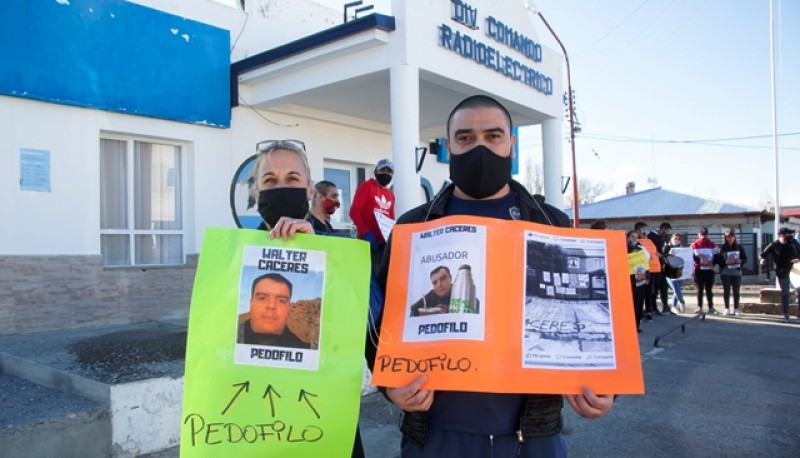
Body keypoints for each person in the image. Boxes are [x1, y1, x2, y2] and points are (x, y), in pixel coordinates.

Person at [373, 95, 614, 457]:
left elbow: (586, 312)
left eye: (493, 136)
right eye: (466, 138)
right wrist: (389, 386)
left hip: (532, 437)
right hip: (434, 432)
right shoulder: (413, 226)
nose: (479, 147)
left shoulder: (550, 223)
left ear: (511, 144)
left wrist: (601, 384)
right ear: (449, 144)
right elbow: (377, 316)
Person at [249, 139, 366, 458]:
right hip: (254, 419)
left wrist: (320, 257)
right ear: (257, 194)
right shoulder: (233, 258)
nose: (281, 187)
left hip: (324, 415)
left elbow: (359, 324)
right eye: (270, 181)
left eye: (292, 179)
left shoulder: (337, 250)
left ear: (309, 189)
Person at [238, 273, 310, 348]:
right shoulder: (228, 340)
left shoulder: (305, 351)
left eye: (281, 301)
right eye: (262, 298)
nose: (271, 306)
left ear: (288, 308)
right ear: (251, 303)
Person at [350, 158, 396, 269]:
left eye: (389, 171)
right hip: (367, 242)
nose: (386, 173)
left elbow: (391, 218)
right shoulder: (366, 186)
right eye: (382, 170)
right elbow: (354, 211)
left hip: (384, 244)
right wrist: (365, 232)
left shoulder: (391, 194)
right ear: (375, 171)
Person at [760, 227, 799, 322]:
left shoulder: (793, 243)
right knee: (785, 293)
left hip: (795, 271)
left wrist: (798, 259)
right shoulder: (774, 245)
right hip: (782, 272)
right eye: (788, 234)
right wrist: (762, 259)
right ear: (782, 235)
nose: (790, 236)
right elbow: (763, 254)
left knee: (799, 292)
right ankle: (786, 314)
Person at [719, 228, 747, 317]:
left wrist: (740, 261)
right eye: (727, 237)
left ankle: (736, 309)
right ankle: (727, 308)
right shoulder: (723, 248)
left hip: (736, 272)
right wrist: (725, 262)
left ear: (734, 237)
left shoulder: (739, 247)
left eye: (731, 237)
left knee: (736, 291)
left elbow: (745, 259)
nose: (729, 239)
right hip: (725, 272)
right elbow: (719, 260)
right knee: (726, 290)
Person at [691, 226, 718, 314]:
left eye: (705, 235)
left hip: (709, 270)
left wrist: (713, 264)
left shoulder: (712, 244)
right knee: (700, 289)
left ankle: (711, 307)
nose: (704, 237)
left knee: (709, 289)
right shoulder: (694, 244)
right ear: (698, 235)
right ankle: (699, 307)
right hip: (698, 270)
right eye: (702, 235)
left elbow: (716, 257)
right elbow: (691, 257)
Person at [647, 222, 673, 315]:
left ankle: (665, 307)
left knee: (663, 287)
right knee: (655, 288)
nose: (667, 233)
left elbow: (662, 250)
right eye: (666, 231)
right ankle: (653, 307)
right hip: (653, 266)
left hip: (661, 266)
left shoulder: (663, 237)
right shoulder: (652, 236)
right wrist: (662, 255)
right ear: (662, 229)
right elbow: (654, 252)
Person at [627, 230, 649, 333]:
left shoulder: (640, 249)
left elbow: (645, 264)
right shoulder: (623, 249)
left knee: (639, 303)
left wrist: (647, 277)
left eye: (636, 237)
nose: (634, 239)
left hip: (640, 279)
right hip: (629, 280)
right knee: (629, 304)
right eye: (632, 237)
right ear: (627, 238)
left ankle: (636, 325)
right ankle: (629, 325)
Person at [666, 233, 687, 313]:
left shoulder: (682, 249)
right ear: (671, 239)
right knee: (676, 289)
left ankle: (673, 306)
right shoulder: (667, 247)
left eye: (678, 239)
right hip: (670, 272)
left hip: (680, 272)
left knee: (677, 290)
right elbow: (664, 257)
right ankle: (682, 302)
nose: (676, 241)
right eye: (675, 238)